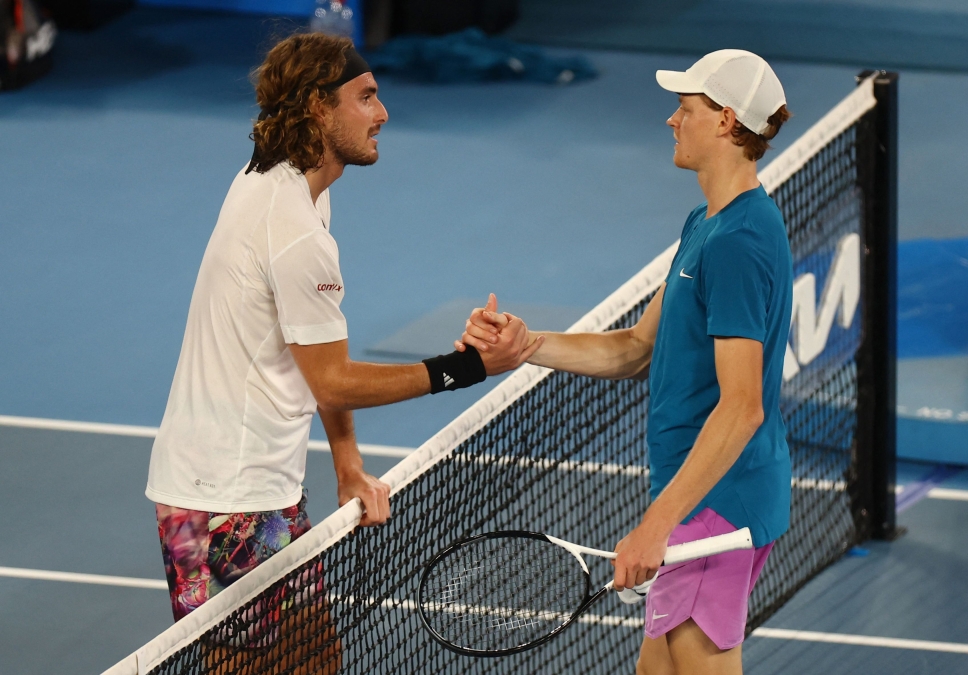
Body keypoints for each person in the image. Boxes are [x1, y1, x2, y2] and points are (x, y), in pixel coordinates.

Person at [145, 31, 542, 637]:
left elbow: (319, 361)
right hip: (226, 498)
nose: (382, 114)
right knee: (280, 658)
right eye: (365, 97)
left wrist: (348, 462)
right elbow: (334, 379)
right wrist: (467, 368)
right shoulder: (297, 230)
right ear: (316, 107)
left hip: (246, 487)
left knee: (309, 653)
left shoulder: (284, 183)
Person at [457, 50, 793, 675]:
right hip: (699, 497)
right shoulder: (709, 223)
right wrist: (527, 347)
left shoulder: (739, 243)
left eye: (685, 109)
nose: (671, 120)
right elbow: (638, 348)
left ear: (724, 121)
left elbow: (743, 406)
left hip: (715, 507)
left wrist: (656, 526)